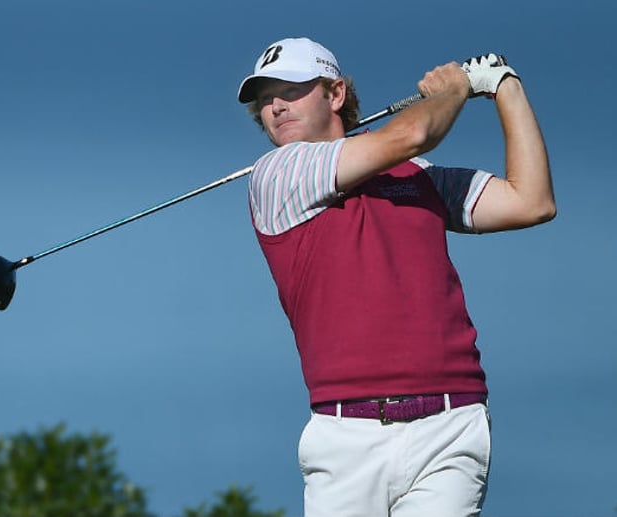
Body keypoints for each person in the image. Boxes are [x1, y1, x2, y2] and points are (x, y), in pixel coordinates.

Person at [236, 37, 555, 517]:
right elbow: (413, 134)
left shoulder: (418, 177)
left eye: (292, 89)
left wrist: (505, 87)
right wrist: (456, 88)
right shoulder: (278, 174)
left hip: (450, 424)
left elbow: (531, 201)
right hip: (345, 437)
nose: (276, 105)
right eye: (265, 100)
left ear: (335, 94)